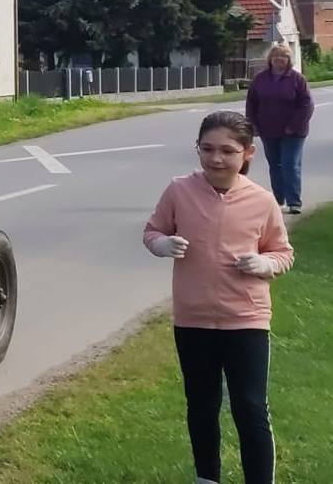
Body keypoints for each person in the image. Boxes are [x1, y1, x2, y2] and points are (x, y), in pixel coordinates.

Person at [143, 110, 294, 484]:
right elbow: (153, 230)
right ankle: (207, 478)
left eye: (227, 150)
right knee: (202, 406)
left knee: (250, 407)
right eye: (206, 149)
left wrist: (265, 263)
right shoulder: (179, 190)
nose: (216, 158)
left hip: (246, 319)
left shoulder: (262, 201)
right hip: (193, 319)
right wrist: (162, 244)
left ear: (248, 153)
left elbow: (283, 252)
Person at [245, 43, 313, 214]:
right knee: (275, 165)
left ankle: (294, 201)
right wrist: (252, 125)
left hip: (294, 131)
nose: (279, 59)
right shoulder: (260, 79)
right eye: (276, 56)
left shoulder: (297, 79)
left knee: (290, 164)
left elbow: (307, 105)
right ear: (270, 59)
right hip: (268, 129)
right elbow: (251, 104)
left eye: (283, 56)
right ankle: (278, 199)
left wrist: (294, 125)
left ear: (289, 59)